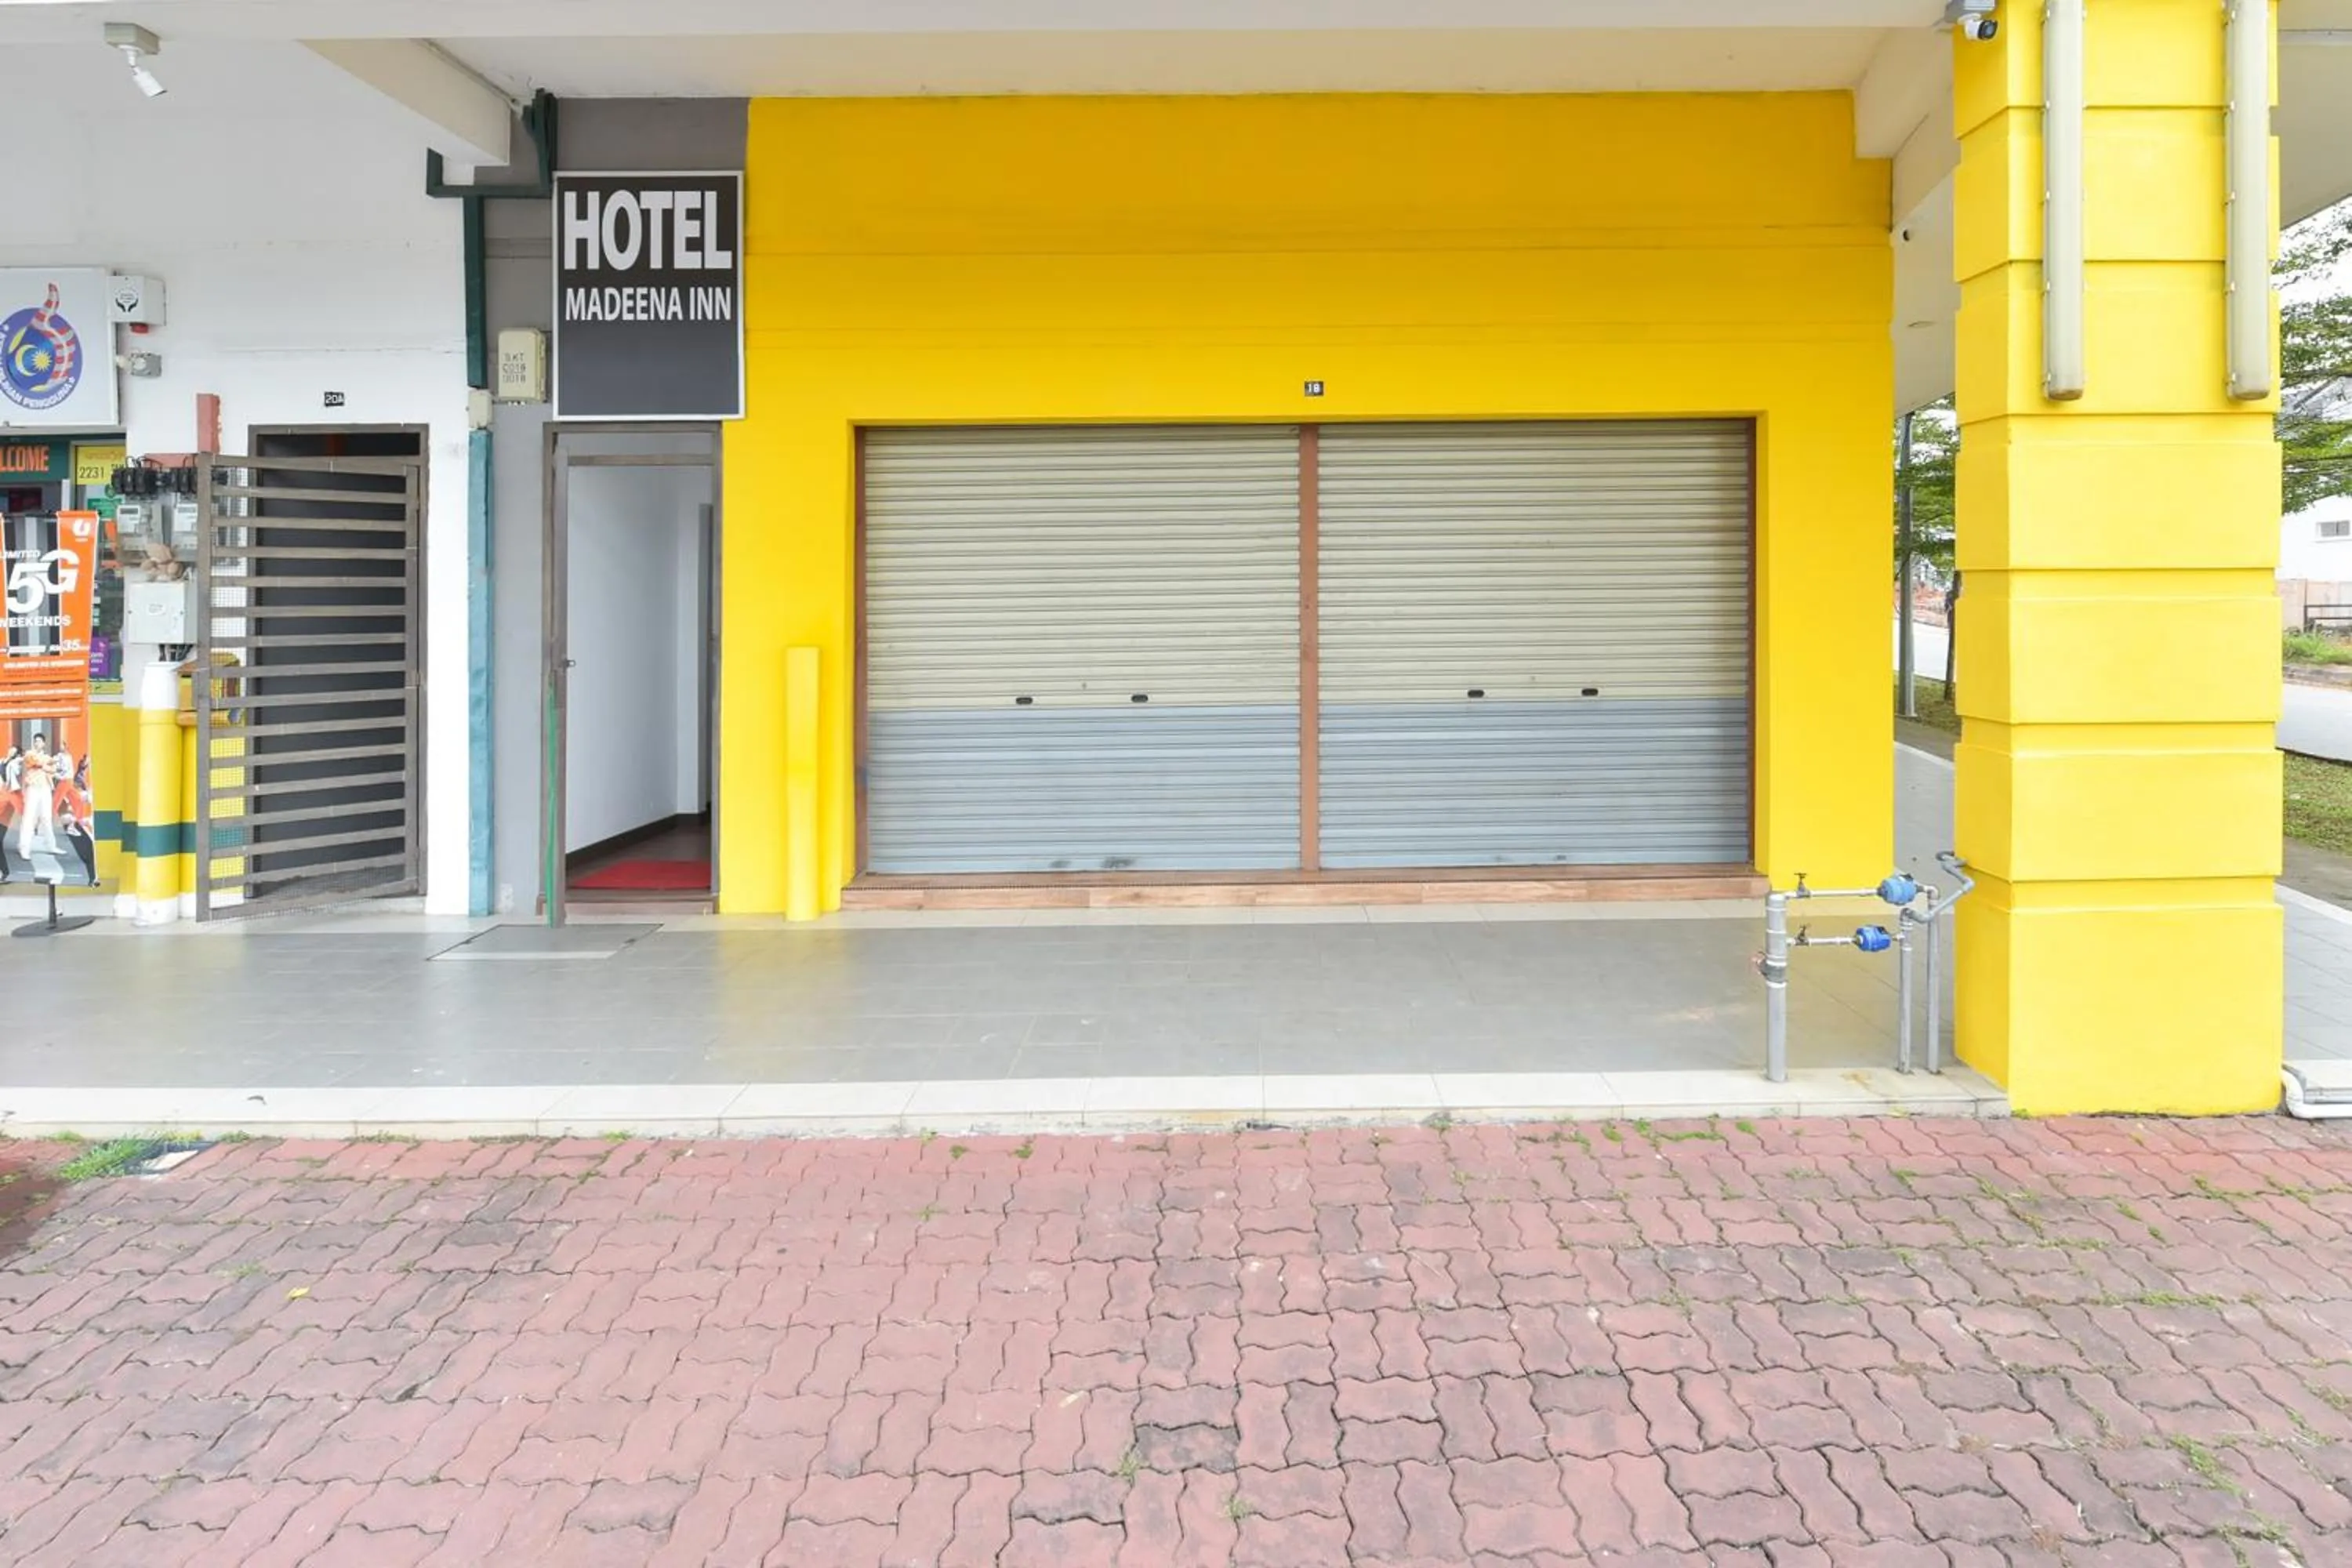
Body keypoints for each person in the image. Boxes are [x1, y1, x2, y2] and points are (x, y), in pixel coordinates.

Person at [16, 733, 58, 859]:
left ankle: (51, 846)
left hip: (45, 788)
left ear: (44, 743)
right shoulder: (29, 754)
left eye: (39, 741)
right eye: (35, 741)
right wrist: (48, 764)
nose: (37, 743)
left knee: (46, 817)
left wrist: (49, 764)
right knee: (29, 818)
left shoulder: (47, 756)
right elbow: (34, 763)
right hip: (33, 788)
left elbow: (54, 770)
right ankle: (24, 848)